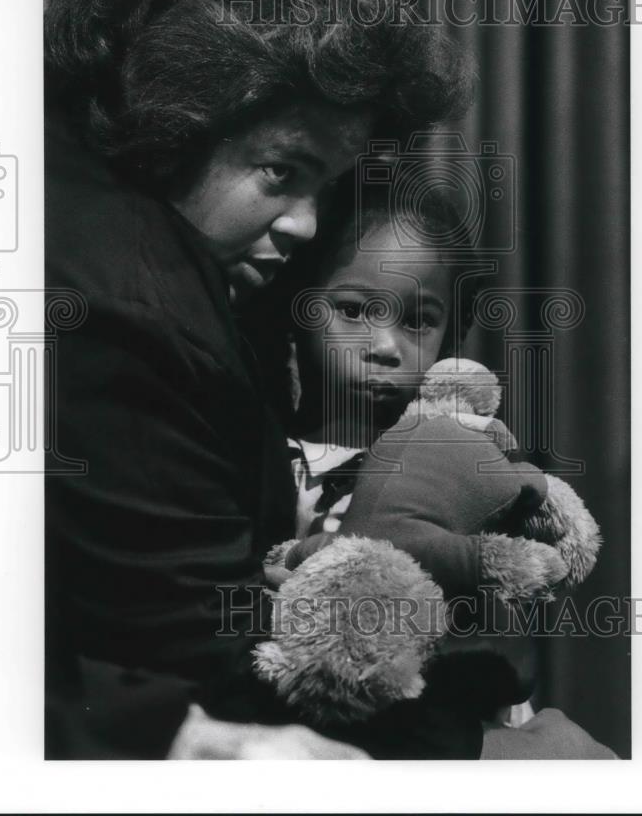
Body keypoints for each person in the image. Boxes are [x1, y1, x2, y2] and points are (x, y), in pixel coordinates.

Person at [43, 0, 471, 758]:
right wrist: (480, 758)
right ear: (177, 121)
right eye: (280, 173)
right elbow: (212, 657)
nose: (306, 228)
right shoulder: (128, 313)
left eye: (323, 187)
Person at [257, 176, 616, 757]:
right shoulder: (273, 461)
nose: (385, 346)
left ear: (452, 331)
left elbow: (513, 648)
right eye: (352, 310)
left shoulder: (459, 461)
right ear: (298, 307)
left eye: (418, 320)